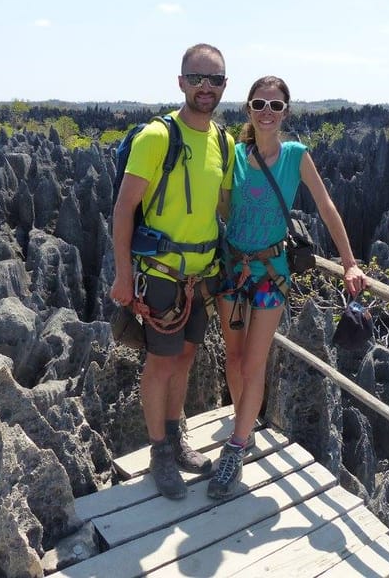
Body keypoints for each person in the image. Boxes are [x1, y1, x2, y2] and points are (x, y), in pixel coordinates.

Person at [207, 75, 366, 499]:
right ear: (248, 109)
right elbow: (214, 204)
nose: (267, 112)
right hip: (232, 268)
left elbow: (327, 207)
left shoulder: (296, 156)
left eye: (275, 106)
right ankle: (246, 424)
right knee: (234, 356)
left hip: (271, 272)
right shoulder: (234, 155)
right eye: (259, 103)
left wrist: (349, 263)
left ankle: (236, 447)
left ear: (286, 113)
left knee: (254, 362)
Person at [110, 44, 235, 499]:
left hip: (201, 275)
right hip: (160, 273)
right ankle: (159, 452)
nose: (206, 87)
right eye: (197, 78)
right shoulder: (156, 138)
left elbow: (225, 207)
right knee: (160, 362)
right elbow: (123, 210)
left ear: (224, 87)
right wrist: (124, 276)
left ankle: (176, 436)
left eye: (215, 80)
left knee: (184, 358)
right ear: (180, 81)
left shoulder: (224, 141)